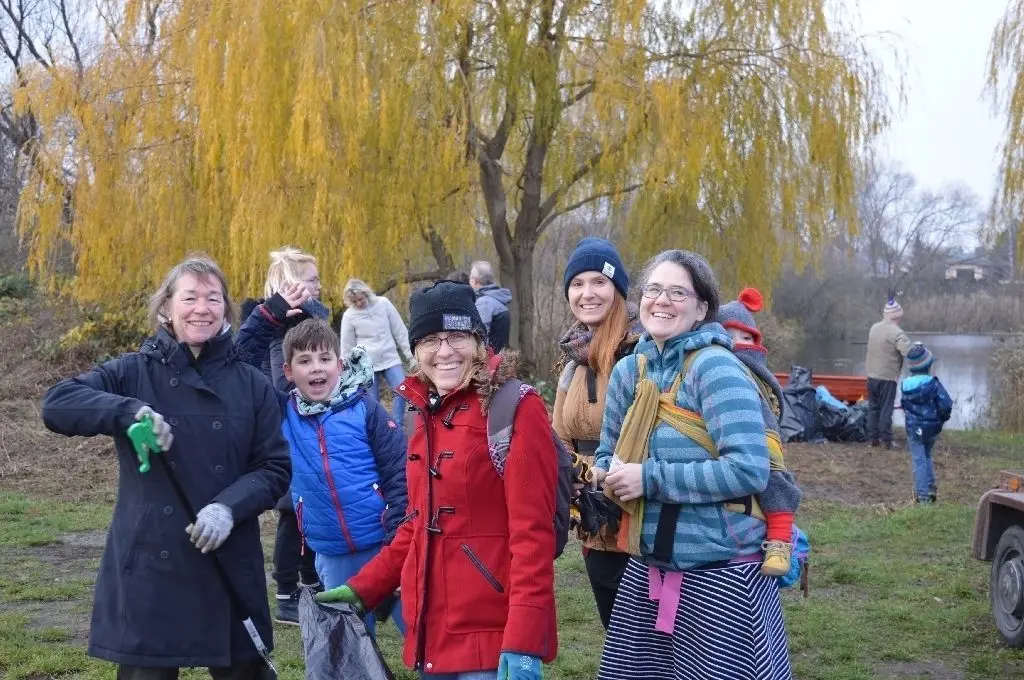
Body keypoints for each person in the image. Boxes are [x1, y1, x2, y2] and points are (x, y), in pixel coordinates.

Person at [41, 254, 291, 680]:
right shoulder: (131, 372)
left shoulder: (253, 385)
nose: (202, 308)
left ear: (225, 310)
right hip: (152, 570)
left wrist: (227, 508)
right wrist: (129, 412)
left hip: (226, 560)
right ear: (166, 309)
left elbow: (274, 469)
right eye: (189, 297)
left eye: (213, 299)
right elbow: (57, 404)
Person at [317, 280, 558, 680]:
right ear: (415, 351)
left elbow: (533, 536)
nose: (444, 351)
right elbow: (417, 522)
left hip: (493, 638)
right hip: (431, 632)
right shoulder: (420, 413)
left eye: (458, 336)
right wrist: (366, 587)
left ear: (480, 342)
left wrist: (525, 640)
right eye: (430, 339)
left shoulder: (515, 407)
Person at [592, 250, 791, 680]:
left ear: (702, 308)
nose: (662, 301)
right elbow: (609, 452)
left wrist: (650, 478)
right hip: (648, 568)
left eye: (678, 292)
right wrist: (606, 473)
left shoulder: (716, 368)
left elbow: (748, 470)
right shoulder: (630, 372)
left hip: (721, 574)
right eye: (654, 290)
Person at [236, 297, 408, 637]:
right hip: (332, 553)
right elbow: (238, 367)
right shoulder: (282, 412)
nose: (316, 367)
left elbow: (400, 474)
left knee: (424, 640)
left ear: (339, 365)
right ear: (288, 372)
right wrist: (266, 315)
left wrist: (396, 539)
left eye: (324, 358)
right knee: (352, 650)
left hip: (384, 547)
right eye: (304, 360)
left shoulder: (366, 409)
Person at [551, 237, 639, 630]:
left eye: (599, 282)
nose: (587, 293)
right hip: (592, 516)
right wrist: (570, 483)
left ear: (617, 289)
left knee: (648, 636)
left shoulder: (641, 350)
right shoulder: (573, 358)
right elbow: (559, 436)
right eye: (577, 284)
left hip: (635, 512)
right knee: (616, 628)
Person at [240, 246, 329, 624]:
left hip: (305, 425)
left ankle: (310, 580)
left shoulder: (304, 321)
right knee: (293, 514)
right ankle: (286, 592)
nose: (320, 285)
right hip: (287, 430)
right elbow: (281, 380)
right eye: (311, 280)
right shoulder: (286, 327)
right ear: (292, 286)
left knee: (309, 508)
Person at [716, 288, 804, 576]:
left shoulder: (757, 372)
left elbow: (772, 406)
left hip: (763, 436)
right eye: (730, 336)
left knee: (776, 483)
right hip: (729, 438)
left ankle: (780, 541)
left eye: (746, 337)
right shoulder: (712, 367)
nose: (739, 344)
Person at [340, 279, 414, 429]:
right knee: (372, 401)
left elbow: (400, 332)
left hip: (390, 357)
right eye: (355, 302)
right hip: (367, 364)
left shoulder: (384, 304)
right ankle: (380, 429)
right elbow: (347, 348)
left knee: (401, 388)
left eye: (361, 299)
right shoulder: (349, 316)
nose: (359, 303)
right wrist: (348, 374)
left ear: (367, 294)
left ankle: (397, 424)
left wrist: (412, 358)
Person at [900, 343, 953, 503]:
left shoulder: (904, 385)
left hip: (914, 429)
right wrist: (941, 419)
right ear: (929, 365)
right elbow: (946, 404)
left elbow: (904, 405)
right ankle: (929, 490)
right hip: (931, 428)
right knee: (927, 455)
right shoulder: (933, 384)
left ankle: (923, 495)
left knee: (919, 460)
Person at [866, 298, 913, 448]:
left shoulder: (874, 327)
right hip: (887, 376)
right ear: (897, 316)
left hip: (871, 374)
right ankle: (886, 440)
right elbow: (908, 352)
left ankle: (873, 439)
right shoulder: (897, 332)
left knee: (873, 407)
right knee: (886, 408)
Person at [469, 260, 512, 353]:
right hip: (501, 359)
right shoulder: (497, 299)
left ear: (475, 280)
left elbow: (480, 337)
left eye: (471, 277)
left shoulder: (484, 303)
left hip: (490, 362)